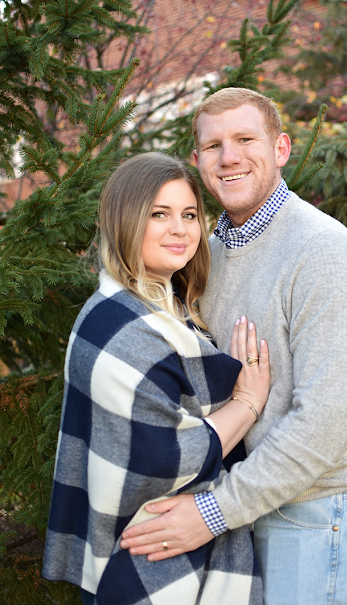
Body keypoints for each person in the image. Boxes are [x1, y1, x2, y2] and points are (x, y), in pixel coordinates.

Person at [119, 89, 347, 605]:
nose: (229, 157)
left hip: (325, 515)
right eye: (213, 145)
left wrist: (212, 512)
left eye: (245, 139)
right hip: (253, 508)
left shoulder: (324, 253)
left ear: (281, 149)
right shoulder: (207, 253)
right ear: (198, 161)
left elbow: (325, 421)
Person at [42, 151, 271, 605]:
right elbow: (157, 461)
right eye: (159, 214)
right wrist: (246, 402)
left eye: (189, 214)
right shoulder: (121, 327)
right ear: (125, 221)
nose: (180, 229)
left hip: (164, 541)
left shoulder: (165, 311)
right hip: (149, 553)